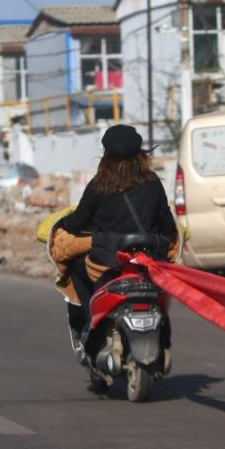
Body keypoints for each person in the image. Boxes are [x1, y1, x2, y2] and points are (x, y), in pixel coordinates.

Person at [60, 124, 178, 340]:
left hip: (107, 262)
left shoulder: (99, 185)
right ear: (141, 155)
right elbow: (168, 226)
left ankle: (90, 322)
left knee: (76, 268)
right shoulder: (152, 183)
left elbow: (78, 221)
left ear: (106, 156)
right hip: (148, 260)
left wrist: (64, 222)